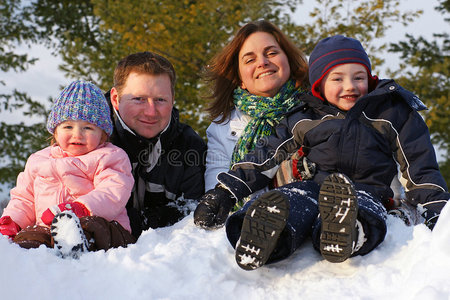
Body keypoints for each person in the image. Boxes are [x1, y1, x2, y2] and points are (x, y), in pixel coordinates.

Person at [194, 35, 449, 270]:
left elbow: (419, 165)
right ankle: (266, 238)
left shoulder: (391, 112)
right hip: (314, 187)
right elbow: (265, 156)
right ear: (319, 84)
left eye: (358, 77)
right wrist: (226, 192)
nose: (350, 86)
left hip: (369, 190)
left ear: (370, 78)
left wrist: (435, 208)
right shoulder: (306, 117)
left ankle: (349, 233)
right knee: (290, 199)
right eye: (337, 79)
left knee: (368, 212)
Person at [0, 80, 135, 258]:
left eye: (87, 128)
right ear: (55, 131)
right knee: (29, 236)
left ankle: (75, 245)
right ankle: (26, 258)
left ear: (103, 134)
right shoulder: (38, 160)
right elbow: (24, 198)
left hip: (103, 227)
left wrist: (81, 208)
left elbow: (113, 191)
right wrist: (13, 221)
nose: (77, 134)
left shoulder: (110, 156)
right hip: (48, 230)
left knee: (92, 226)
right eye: (68, 127)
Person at [107, 51, 206, 238]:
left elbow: (192, 213)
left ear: (172, 99)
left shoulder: (190, 147)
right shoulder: (88, 141)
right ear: (115, 99)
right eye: (139, 99)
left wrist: (137, 222)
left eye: (160, 100)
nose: (151, 112)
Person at [203, 20, 309, 193]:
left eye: (272, 53)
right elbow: (215, 193)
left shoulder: (317, 107)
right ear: (240, 80)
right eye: (250, 59)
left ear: (288, 60)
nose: (262, 62)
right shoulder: (221, 129)